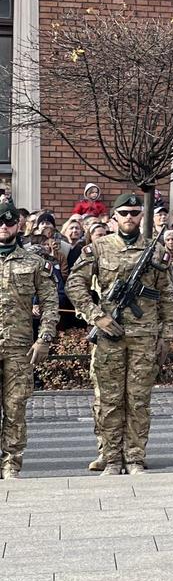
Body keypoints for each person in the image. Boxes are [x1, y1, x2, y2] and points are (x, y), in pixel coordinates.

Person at [65, 193, 173, 476]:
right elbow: (74, 285)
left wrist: (167, 335)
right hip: (108, 336)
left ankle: (135, 457)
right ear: (113, 217)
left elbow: (166, 295)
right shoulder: (98, 248)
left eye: (134, 213)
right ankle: (112, 457)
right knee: (109, 399)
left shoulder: (155, 251)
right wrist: (97, 316)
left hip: (144, 337)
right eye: (124, 213)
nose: (129, 218)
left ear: (142, 216)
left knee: (138, 400)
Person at [0, 202, 59, 479]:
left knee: (15, 408)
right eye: (0, 222)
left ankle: (11, 462)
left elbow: (50, 302)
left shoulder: (34, 261)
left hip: (19, 348)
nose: (4, 226)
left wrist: (44, 338)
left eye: (9, 222)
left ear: (18, 226)